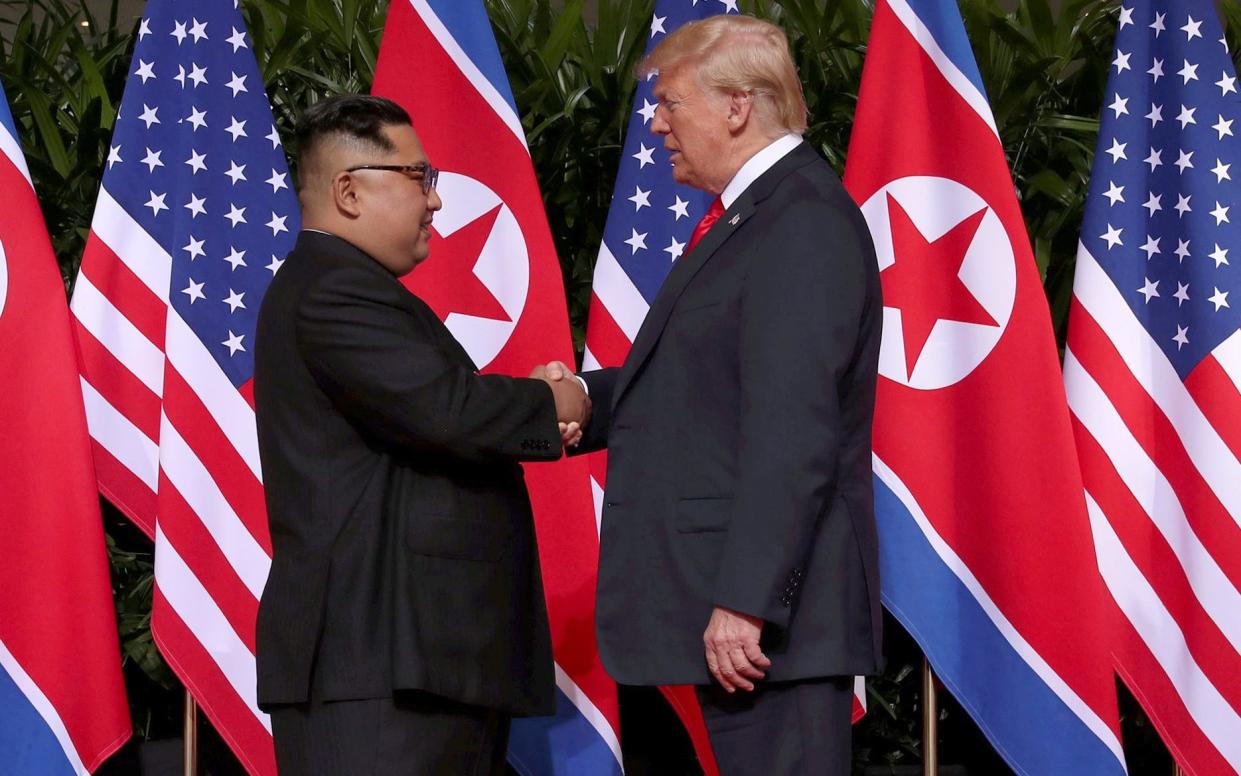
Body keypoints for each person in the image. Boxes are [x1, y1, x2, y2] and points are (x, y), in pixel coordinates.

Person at [542, 14, 883, 774]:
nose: (655, 124)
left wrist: (746, 600)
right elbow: (697, 387)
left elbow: (794, 430)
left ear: (737, 106)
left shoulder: (800, 223)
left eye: (669, 104)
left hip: (755, 634)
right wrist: (572, 403)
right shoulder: (750, 218)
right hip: (706, 619)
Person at [253, 94, 589, 775]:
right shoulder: (333, 290)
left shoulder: (342, 285)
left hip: (406, 667)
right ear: (349, 190)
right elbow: (448, 410)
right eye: (418, 178)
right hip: (379, 671)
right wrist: (560, 398)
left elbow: (435, 413)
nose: (435, 202)